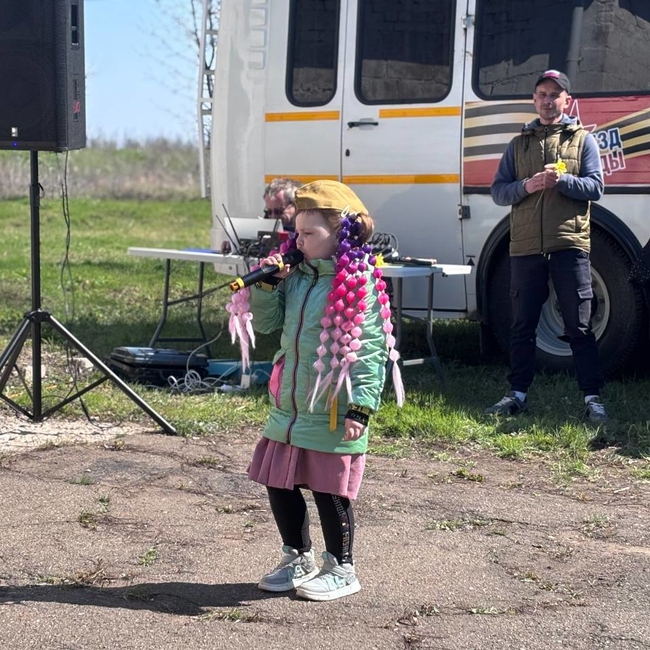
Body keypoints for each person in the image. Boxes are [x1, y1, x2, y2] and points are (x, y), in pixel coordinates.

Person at [226, 180, 404, 601]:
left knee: (329, 489)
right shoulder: (297, 277)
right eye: (297, 233)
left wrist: (361, 406)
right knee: (279, 482)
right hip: (290, 403)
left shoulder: (357, 282)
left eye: (309, 233)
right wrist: (267, 285)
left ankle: (341, 567)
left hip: (331, 405)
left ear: (340, 233)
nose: (299, 241)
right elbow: (268, 324)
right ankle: (297, 556)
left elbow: (371, 350)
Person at [485, 70, 607, 423]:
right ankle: (517, 394)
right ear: (534, 100)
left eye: (555, 94)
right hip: (525, 248)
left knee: (579, 326)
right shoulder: (518, 144)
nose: (548, 100)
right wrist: (528, 185)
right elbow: (499, 192)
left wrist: (562, 181)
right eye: (542, 94)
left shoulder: (583, 140)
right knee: (522, 326)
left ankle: (593, 398)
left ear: (567, 101)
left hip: (569, 244)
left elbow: (596, 187)